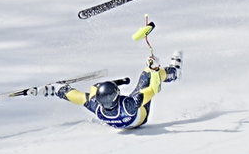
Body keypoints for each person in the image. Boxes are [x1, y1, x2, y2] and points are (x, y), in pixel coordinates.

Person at [53, 51, 182, 129]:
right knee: (147, 74)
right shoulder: (130, 104)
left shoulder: (96, 107)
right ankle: (173, 73)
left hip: (119, 121)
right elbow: (154, 89)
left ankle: (60, 91)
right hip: (139, 117)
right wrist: (154, 68)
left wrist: (60, 90)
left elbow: (78, 98)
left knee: (91, 91)